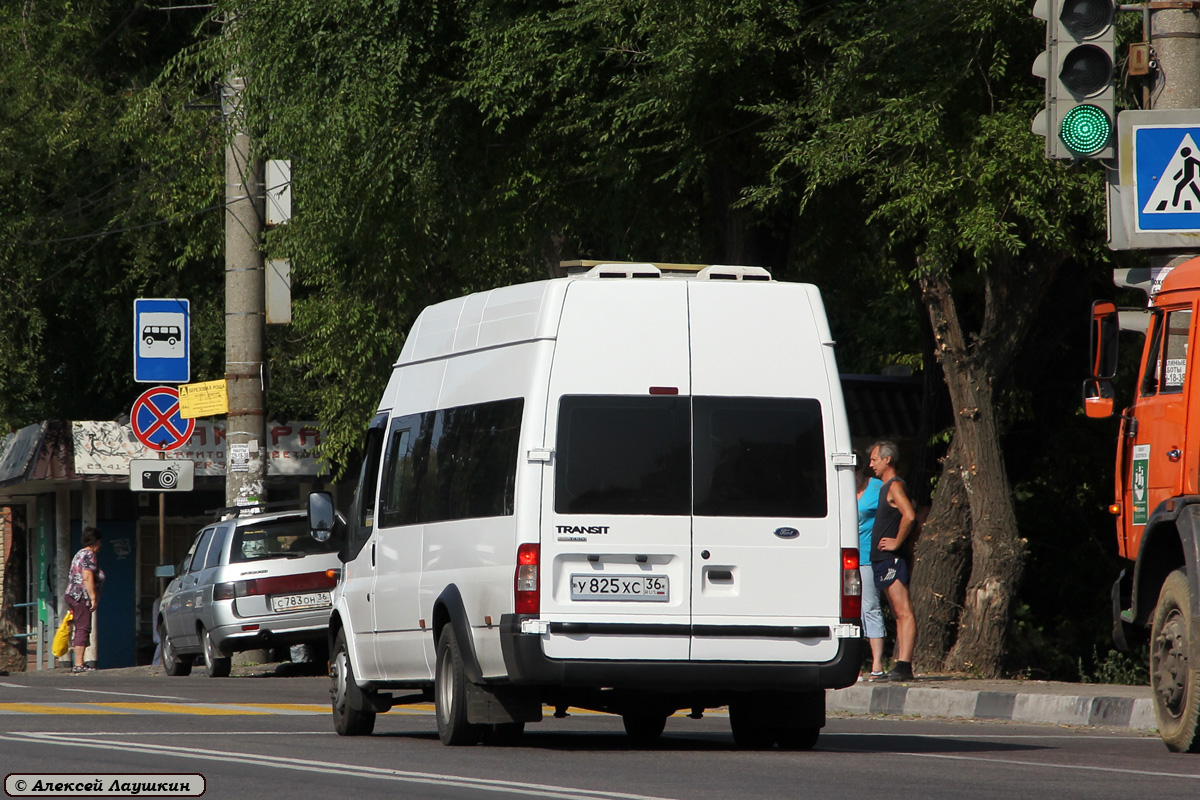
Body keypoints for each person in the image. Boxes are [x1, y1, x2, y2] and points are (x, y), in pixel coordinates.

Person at [869, 440, 918, 682]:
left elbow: (909, 515)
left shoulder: (895, 486)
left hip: (891, 559)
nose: (871, 465)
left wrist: (897, 542)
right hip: (880, 559)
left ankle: (905, 665)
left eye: (874, 459)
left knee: (903, 611)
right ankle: (900, 664)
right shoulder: (883, 487)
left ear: (887, 459)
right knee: (897, 613)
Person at [855, 451, 887, 681]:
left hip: (867, 556)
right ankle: (851, 663)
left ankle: (877, 663)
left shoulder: (877, 487)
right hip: (842, 557)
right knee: (847, 613)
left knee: (870, 606)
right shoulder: (839, 488)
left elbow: (904, 508)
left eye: (854, 470)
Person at [64, 527, 105, 674]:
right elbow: (87, 576)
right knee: (83, 627)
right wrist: (93, 597)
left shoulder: (79, 554)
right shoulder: (89, 555)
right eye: (100, 542)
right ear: (96, 542)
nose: (101, 545)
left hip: (73, 594)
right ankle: (79, 664)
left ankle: (79, 662)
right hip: (80, 595)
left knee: (81, 626)